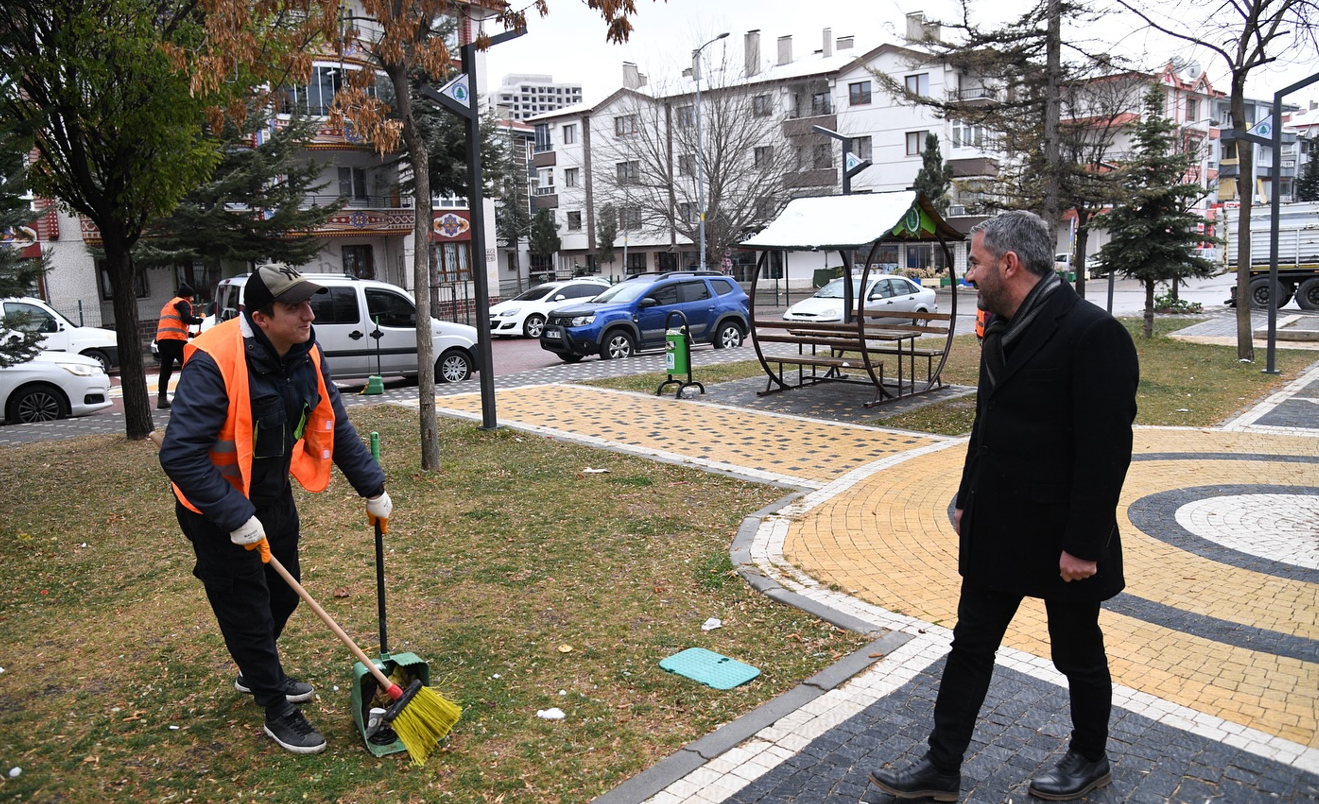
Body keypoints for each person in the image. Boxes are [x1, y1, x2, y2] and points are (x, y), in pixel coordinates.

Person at [869, 211, 1139, 802]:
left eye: (975, 261)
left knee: (1077, 653)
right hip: (998, 525)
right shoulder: (999, 329)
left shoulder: (1094, 335)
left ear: (1009, 265)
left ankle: (1090, 757)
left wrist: (1083, 545)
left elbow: (1106, 452)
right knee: (971, 645)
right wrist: (967, 498)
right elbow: (985, 425)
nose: (968, 275)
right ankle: (942, 766)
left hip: (1061, 533)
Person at [159, 263, 393, 755]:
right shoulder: (214, 359)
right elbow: (180, 454)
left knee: (283, 596)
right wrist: (233, 514)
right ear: (261, 317)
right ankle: (274, 704)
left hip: (270, 493)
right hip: (214, 507)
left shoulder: (305, 351)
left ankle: (255, 666)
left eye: (308, 304)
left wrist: (371, 486)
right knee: (246, 605)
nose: (309, 315)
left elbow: (333, 421)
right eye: (295, 307)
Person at [155, 283, 205, 409]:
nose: (192, 300)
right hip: (176, 341)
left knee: (165, 370)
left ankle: (162, 399)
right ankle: (192, 396)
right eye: (192, 297)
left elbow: (174, 325)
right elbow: (186, 318)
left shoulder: (169, 304)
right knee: (189, 367)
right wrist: (200, 320)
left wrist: (192, 335)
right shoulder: (183, 303)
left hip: (162, 341)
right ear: (187, 296)